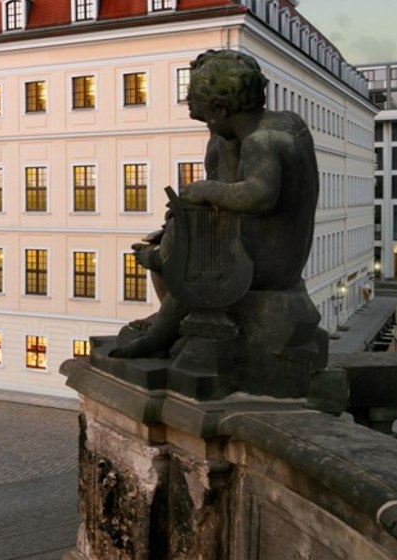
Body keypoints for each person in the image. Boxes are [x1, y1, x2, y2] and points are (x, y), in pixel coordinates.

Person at [111, 50, 318, 358]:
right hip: (269, 250)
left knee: (183, 256)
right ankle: (170, 311)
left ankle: (159, 336)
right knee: (172, 234)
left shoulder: (263, 141)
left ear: (221, 109)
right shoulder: (284, 123)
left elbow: (260, 195)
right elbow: (235, 189)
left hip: (269, 265)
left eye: (205, 115)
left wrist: (206, 190)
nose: (202, 122)